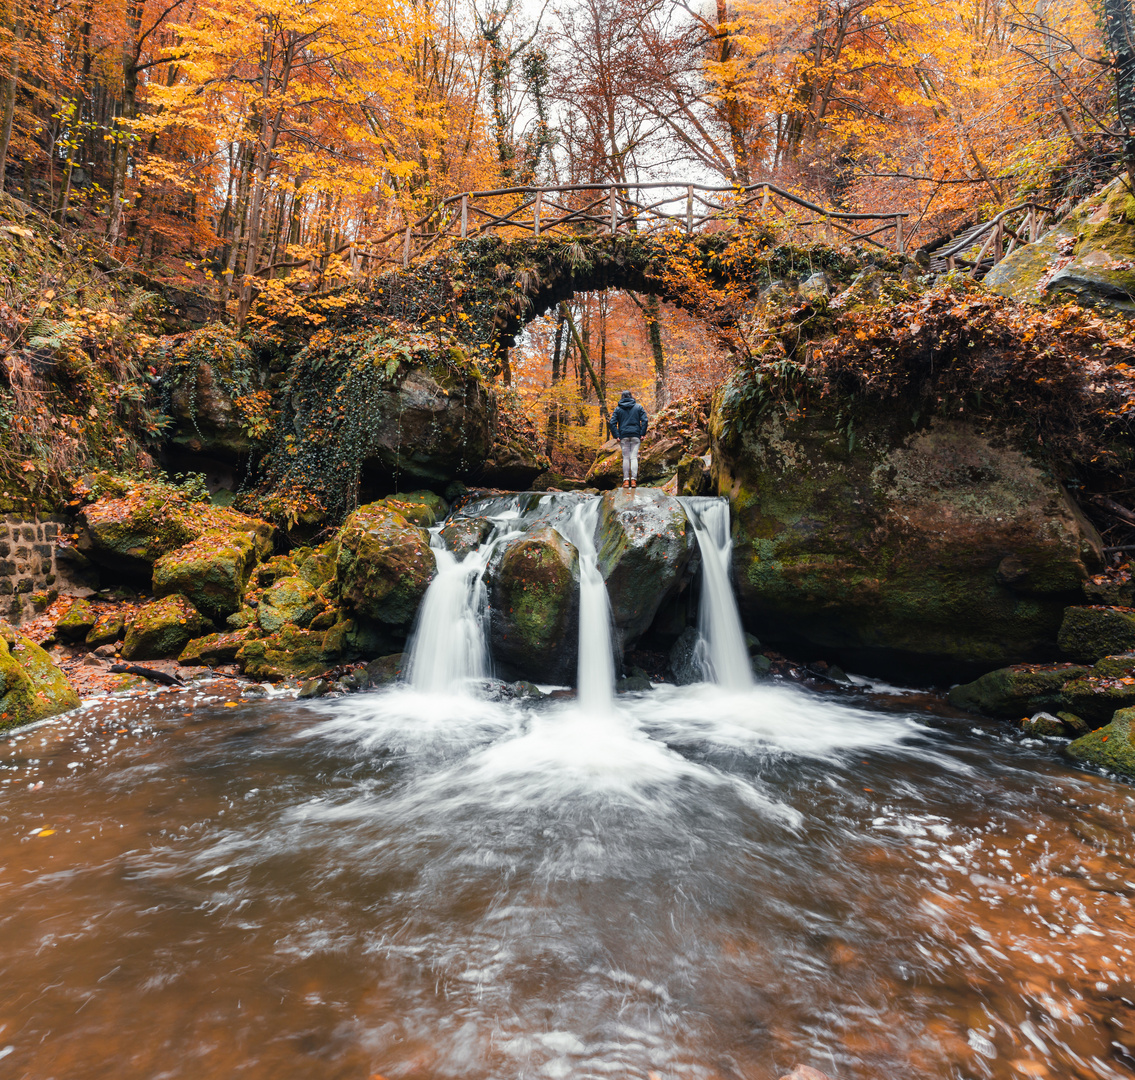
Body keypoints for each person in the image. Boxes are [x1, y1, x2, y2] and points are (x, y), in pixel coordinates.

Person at [607, 390, 649, 488]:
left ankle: (626, 481)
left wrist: (616, 435)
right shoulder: (638, 407)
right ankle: (633, 481)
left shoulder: (618, 409)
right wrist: (642, 433)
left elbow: (612, 423)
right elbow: (645, 420)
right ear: (631, 396)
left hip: (624, 436)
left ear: (622, 397)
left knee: (626, 458)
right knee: (633, 457)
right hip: (636, 435)